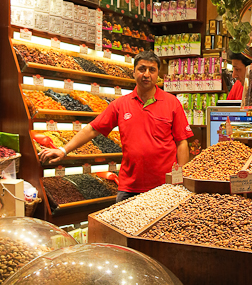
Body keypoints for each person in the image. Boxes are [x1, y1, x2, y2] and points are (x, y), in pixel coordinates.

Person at [39, 51, 194, 202]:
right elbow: (92, 129)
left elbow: (181, 142)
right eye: (141, 69)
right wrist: (63, 150)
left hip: (164, 185)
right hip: (129, 186)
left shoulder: (172, 103)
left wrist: (180, 179)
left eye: (152, 70)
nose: (146, 74)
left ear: (157, 75)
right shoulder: (121, 104)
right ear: (133, 73)